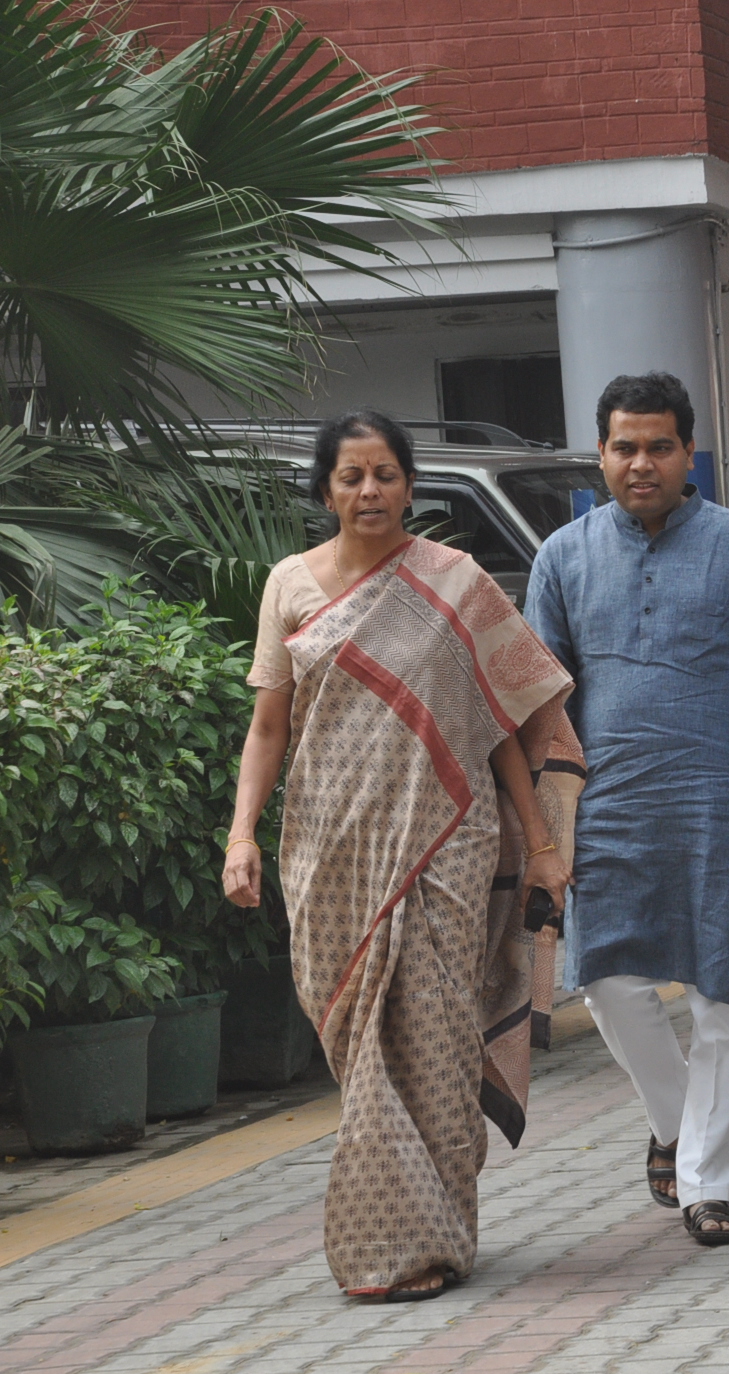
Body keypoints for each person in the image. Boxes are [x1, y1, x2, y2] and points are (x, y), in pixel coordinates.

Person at [223, 411, 575, 1300]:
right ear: (326, 489)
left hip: (445, 843)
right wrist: (241, 834)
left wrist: (541, 844)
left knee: (433, 1039)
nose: (369, 491)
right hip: (327, 848)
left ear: (411, 485)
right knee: (361, 1047)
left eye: (385, 475)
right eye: (351, 477)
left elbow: (500, 725)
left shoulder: (454, 581)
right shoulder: (289, 586)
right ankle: (414, 1232)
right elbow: (269, 726)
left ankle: (414, 1243)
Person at [524, 372, 729, 1248]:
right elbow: (542, 703)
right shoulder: (562, 557)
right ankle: (678, 1122)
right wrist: (545, 829)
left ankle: (709, 1184)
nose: (643, 463)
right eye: (625, 447)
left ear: (688, 453)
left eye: (660, 446)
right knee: (602, 978)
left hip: (722, 802)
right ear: (600, 454)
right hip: (609, 808)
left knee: (725, 998)